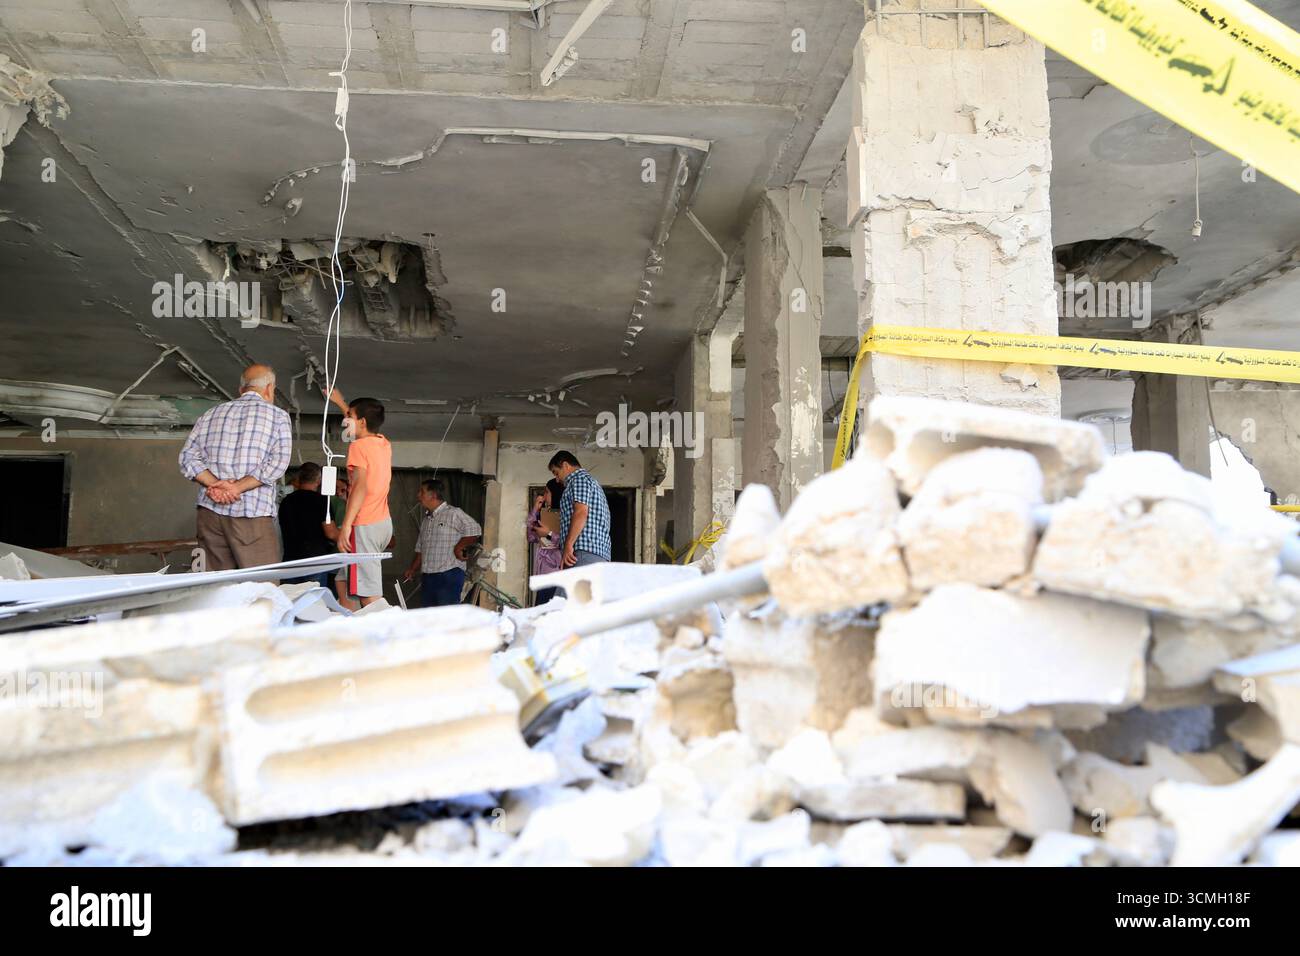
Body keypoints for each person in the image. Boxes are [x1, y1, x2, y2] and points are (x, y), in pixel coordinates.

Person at [179, 364, 291, 571]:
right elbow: (278, 464)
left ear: (241, 390)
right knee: (261, 587)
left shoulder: (211, 414)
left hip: (210, 513)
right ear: (269, 389)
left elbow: (187, 458)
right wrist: (235, 489)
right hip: (251, 514)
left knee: (214, 586)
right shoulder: (278, 417)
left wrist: (215, 485)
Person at [325, 387, 392, 607]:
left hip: (365, 524)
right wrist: (340, 402)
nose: (346, 422)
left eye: (350, 418)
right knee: (353, 580)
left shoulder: (358, 446)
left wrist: (346, 526)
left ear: (362, 422)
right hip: (382, 523)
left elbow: (360, 487)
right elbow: (360, 419)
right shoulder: (382, 442)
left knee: (367, 592)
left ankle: (379, 636)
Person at [404, 479, 481, 607]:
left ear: (433, 495)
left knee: (446, 618)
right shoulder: (426, 520)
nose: (418, 495)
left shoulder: (453, 513)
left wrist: (460, 546)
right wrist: (413, 568)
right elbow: (421, 548)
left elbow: (475, 529)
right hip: (428, 576)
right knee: (429, 617)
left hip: (449, 574)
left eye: (422, 492)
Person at [548, 451, 611, 569]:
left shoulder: (579, 480)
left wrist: (568, 545)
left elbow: (581, 512)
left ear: (566, 465)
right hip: (595, 554)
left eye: (556, 473)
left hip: (583, 552)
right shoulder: (590, 482)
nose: (557, 479)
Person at [278, 462, 335, 589]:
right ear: (319, 480)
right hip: (315, 560)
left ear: (299, 479)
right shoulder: (322, 501)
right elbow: (330, 533)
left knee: (290, 601)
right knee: (314, 602)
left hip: (290, 559)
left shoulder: (286, 501)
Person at [528, 480, 564, 604]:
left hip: (556, 575)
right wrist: (535, 511)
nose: (544, 496)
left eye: (547, 492)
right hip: (543, 576)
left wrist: (548, 534)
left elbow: (566, 543)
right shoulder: (545, 516)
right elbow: (531, 537)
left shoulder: (566, 517)